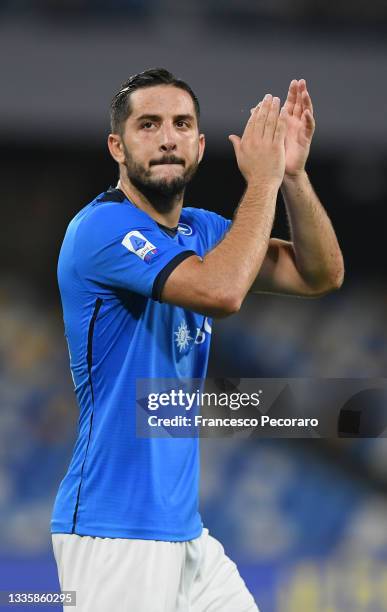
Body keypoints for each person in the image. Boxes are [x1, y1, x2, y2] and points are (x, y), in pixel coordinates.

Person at [51, 68, 344, 611]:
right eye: (148, 125)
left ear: (201, 145)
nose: (167, 138)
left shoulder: (201, 232)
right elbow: (223, 292)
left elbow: (320, 275)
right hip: (113, 531)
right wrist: (262, 182)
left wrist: (293, 176)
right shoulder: (99, 230)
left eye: (181, 124)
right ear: (117, 146)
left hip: (186, 537)